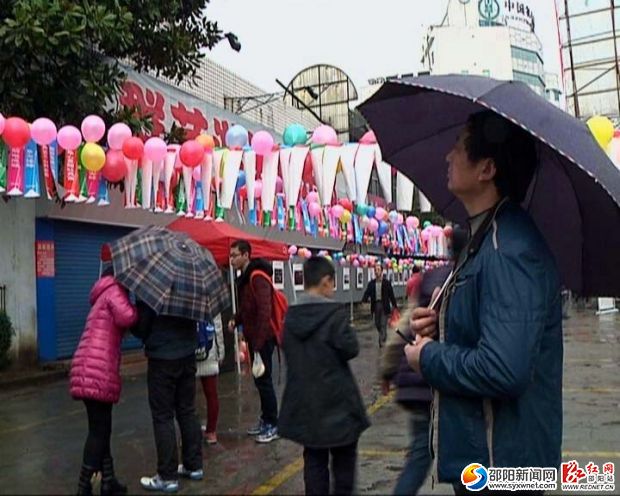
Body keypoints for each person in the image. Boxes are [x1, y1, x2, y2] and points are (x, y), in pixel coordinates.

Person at [404, 110, 562, 495]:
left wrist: (428, 357)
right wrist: (441, 323)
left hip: (504, 468)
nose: (448, 157)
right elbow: (490, 326)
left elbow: (504, 368)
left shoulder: (508, 248)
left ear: (486, 169)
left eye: (459, 147)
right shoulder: (486, 238)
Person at [279, 256, 370, 495]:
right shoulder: (334, 315)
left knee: (314, 461)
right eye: (332, 282)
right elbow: (351, 348)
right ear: (325, 281)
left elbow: (287, 351)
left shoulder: (290, 318)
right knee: (343, 466)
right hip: (338, 404)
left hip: (306, 405)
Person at [70, 266, 138, 496]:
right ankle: (84, 486)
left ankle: (108, 481)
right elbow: (128, 316)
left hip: (88, 366)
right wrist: (139, 305)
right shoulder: (115, 291)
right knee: (99, 431)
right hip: (97, 369)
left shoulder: (102, 294)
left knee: (101, 428)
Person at [131, 299, 203, 493]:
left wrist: (134, 324)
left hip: (162, 357)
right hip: (187, 354)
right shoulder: (189, 281)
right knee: (187, 410)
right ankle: (194, 465)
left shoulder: (153, 284)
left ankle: (167, 476)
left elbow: (142, 327)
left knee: (163, 416)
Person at [228, 239, 279, 443]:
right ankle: (266, 420)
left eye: (234, 255)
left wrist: (258, 343)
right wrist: (236, 319)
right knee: (260, 381)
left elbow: (264, 311)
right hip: (254, 338)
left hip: (263, 339)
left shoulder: (258, 278)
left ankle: (273, 424)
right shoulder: (245, 277)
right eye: (230, 255)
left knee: (264, 381)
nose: (231, 259)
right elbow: (249, 308)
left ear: (246, 255)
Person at [196, 314, 225, 445]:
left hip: (188, 351)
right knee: (211, 393)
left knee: (186, 399)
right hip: (209, 349)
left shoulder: (183, 296)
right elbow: (217, 327)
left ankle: (189, 433)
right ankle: (211, 432)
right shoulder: (211, 296)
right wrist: (221, 352)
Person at [362, 263, 398, 347]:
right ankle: (383, 334)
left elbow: (391, 294)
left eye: (378, 270)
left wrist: (394, 305)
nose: (376, 272)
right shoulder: (372, 283)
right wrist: (364, 299)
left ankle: (382, 340)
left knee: (383, 323)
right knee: (377, 323)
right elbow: (367, 292)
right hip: (375, 305)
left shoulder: (386, 283)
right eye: (375, 270)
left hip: (384, 305)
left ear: (381, 271)